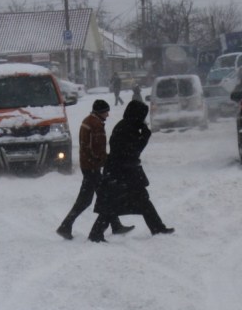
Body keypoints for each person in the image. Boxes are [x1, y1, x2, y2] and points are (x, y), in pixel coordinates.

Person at [87, 99, 174, 242]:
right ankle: (95, 234)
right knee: (113, 205)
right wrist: (144, 137)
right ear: (136, 115)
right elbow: (133, 152)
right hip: (121, 173)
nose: (143, 119)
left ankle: (157, 227)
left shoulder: (128, 126)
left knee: (139, 201)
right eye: (142, 115)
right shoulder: (126, 129)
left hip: (124, 172)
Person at [56, 99, 133, 240]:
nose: (108, 114)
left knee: (102, 197)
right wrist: (103, 159)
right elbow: (94, 148)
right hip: (92, 167)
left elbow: (88, 146)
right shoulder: (95, 124)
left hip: (89, 166)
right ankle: (65, 226)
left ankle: (115, 225)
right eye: (106, 111)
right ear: (100, 112)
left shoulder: (89, 121)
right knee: (94, 199)